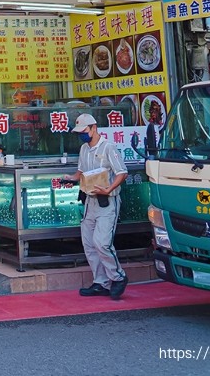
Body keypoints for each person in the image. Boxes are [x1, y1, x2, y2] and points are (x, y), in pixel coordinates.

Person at [61, 113, 129, 299]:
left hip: (107, 202)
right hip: (90, 201)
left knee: (102, 243)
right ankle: (100, 282)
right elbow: (81, 173)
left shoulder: (109, 147)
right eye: (79, 133)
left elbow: (122, 173)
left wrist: (108, 189)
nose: (82, 135)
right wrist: (70, 179)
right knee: (89, 244)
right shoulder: (84, 149)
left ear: (94, 128)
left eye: (84, 131)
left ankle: (118, 277)